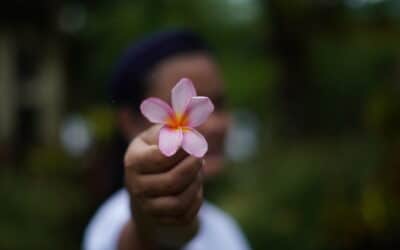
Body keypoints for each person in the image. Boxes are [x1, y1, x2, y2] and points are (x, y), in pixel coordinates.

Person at [83, 30, 251, 250]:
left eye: (218, 104)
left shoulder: (225, 228)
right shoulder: (115, 219)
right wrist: (157, 227)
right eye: (189, 103)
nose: (214, 125)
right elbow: (146, 237)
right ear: (130, 123)